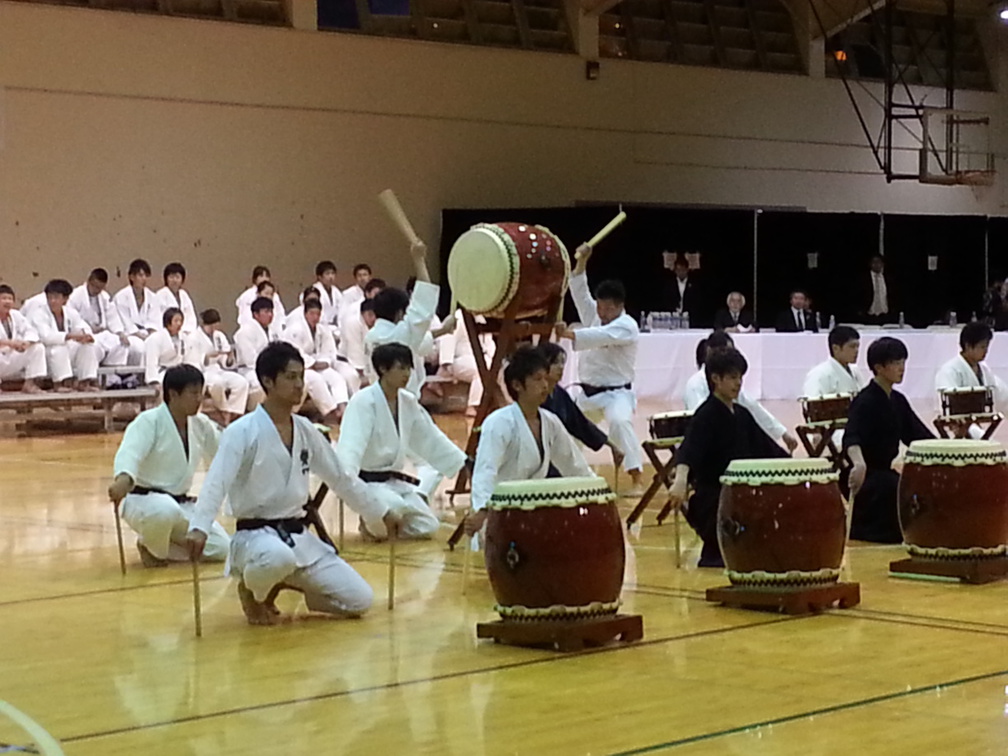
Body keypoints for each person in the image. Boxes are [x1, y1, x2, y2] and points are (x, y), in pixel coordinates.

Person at [186, 342, 397, 625]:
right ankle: (252, 590)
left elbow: (341, 478)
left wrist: (380, 512)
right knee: (276, 558)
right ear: (267, 381)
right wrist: (199, 527)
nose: (299, 385)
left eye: (301, 376)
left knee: (360, 600)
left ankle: (286, 583)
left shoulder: (306, 429)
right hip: (256, 539)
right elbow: (216, 482)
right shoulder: (242, 431)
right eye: (290, 377)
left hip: (298, 538)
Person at [668, 348, 789, 568]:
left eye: (740, 377)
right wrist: (680, 480)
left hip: (743, 493)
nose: (739, 383)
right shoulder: (705, 415)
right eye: (733, 377)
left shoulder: (742, 414)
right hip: (715, 499)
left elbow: (769, 449)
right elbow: (688, 452)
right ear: (716, 378)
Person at [337, 342, 466, 540]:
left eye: (408, 368)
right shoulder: (363, 402)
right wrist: (350, 488)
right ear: (383, 369)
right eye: (401, 368)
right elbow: (350, 450)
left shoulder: (407, 401)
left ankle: (383, 526)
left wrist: (462, 461)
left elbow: (429, 437)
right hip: (367, 484)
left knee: (428, 526)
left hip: (394, 483)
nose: (407, 374)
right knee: (395, 508)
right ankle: (371, 525)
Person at [108, 364, 230, 566]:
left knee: (221, 548)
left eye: (200, 393)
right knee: (164, 510)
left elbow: (224, 453)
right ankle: (151, 548)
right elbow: (131, 453)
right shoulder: (149, 421)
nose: (199, 399)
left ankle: (161, 546)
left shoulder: (201, 424)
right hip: (143, 501)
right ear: (173, 394)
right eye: (193, 393)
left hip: (181, 505)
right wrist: (124, 478)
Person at [465, 346, 593, 536]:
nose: (545, 385)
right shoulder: (498, 423)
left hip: (535, 515)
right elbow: (485, 471)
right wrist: (482, 510)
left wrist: (597, 492)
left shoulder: (550, 422)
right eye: (537, 379)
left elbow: (574, 465)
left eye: (545, 378)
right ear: (517, 385)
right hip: (500, 517)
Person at [555, 242, 644, 490]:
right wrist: (583, 260)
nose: (601, 312)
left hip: (617, 394)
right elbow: (579, 288)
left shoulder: (627, 326)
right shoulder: (595, 315)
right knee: (567, 430)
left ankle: (637, 477)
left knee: (619, 422)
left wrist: (570, 334)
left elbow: (599, 336)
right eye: (599, 306)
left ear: (619, 306)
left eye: (607, 309)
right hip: (588, 393)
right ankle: (568, 476)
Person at [844, 337, 934, 543]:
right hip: (866, 475)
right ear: (879, 367)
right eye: (895, 363)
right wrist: (858, 463)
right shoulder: (864, 401)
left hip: (885, 473)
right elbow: (851, 436)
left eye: (903, 362)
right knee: (893, 487)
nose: (902, 368)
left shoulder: (898, 400)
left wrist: (946, 448)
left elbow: (918, 435)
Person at [364, 240, 453, 395]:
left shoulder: (372, 336)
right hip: (403, 403)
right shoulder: (401, 335)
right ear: (400, 312)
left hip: (379, 400)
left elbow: (417, 342)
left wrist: (443, 330)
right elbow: (423, 304)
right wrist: (419, 259)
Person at [684, 331, 798, 452]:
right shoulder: (695, 384)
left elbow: (755, 409)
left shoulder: (735, 395)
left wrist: (783, 433)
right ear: (711, 351)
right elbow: (699, 424)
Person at [538, 342, 623, 473]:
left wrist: (611, 445)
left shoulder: (560, 394)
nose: (561, 367)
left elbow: (580, 423)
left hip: (556, 458)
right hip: (537, 459)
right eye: (555, 363)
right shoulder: (533, 398)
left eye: (563, 363)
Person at [282, 299, 350, 425]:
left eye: (318, 314)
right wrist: (312, 364)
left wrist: (325, 362)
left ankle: (343, 409)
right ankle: (330, 413)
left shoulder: (322, 330)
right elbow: (294, 352)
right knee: (316, 380)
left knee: (336, 378)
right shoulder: (295, 329)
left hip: (319, 364)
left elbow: (329, 350)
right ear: (305, 314)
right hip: (303, 367)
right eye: (312, 314)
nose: (315, 317)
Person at [934, 321, 1008, 438]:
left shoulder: (984, 370)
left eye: (987, 346)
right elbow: (946, 404)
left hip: (975, 422)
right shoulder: (950, 370)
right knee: (986, 444)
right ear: (968, 346)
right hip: (959, 424)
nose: (986, 351)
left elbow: (1001, 394)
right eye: (982, 346)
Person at [28, 279, 99, 392]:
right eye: (49, 297)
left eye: (56, 297)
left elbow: (82, 326)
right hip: (47, 353)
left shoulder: (70, 312)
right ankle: (59, 384)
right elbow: (46, 337)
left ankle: (84, 382)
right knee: (58, 349)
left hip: (66, 351)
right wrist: (70, 336)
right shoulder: (39, 314)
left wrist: (85, 335)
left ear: (65, 299)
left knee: (87, 347)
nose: (52, 301)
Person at [184, 308, 253, 424]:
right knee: (217, 383)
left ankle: (233, 412)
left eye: (215, 326)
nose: (213, 330)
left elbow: (225, 361)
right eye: (210, 326)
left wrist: (229, 358)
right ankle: (224, 410)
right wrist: (206, 357)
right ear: (204, 324)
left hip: (218, 369)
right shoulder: (193, 337)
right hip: (204, 371)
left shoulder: (219, 336)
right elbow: (191, 361)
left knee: (241, 382)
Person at [436, 307, 496, 417]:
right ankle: (472, 406)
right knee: (480, 370)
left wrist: (494, 359)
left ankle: (505, 402)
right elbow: (448, 337)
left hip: (480, 357)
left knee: (496, 369)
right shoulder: (458, 317)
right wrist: (446, 362)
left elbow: (489, 342)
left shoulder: (481, 318)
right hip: (459, 359)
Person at [68, 268, 131, 371]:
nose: (97, 290)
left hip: (102, 334)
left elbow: (112, 316)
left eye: (100, 288)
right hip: (85, 335)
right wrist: (89, 330)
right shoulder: (75, 296)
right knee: (92, 347)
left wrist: (120, 333)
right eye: (95, 287)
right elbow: (73, 319)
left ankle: (112, 377)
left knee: (121, 344)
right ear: (89, 281)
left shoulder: (104, 297)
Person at [113, 258, 162, 365]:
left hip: (148, 335)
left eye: (145, 275)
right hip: (130, 335)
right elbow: (125, 322)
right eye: (140, 275)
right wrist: (139, 335)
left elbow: (155, 321)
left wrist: (151, 335)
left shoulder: (152, 297)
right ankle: (133, 377)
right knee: (139, 348)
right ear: (131, 277)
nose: (144, 279)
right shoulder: (121, 297)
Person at [0, 284, 46, 393]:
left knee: (37, 348)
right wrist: (10, 343)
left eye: (10, 299)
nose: (7, 302)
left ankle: (29, 384)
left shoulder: (16, 315)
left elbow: (30, 331)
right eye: (3, 298)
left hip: (11, 356)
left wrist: (26, 343)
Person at [340, 279, 385, 383]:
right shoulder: (353, 318)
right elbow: (354, 350)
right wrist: (362, 370)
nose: (373, 318)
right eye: (369, 315)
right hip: (346, 360)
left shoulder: (380, 314)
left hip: (368, 359)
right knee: (353, 377)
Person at [802, 326, 867, 398]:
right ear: (835, 348)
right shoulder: (819, 374)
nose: (856, 351)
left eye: (857, 346)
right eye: (852, 346)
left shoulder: (855, 370)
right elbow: (813, 404)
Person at [234, 296, 278, 397]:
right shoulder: (244, 332)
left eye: (271, 311)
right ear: (256, 314)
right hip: (249, 370)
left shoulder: (273, 331)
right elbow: (250, 361)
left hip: (272, 368)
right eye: (266, 312)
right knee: (261, 385)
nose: (270, 315)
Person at [144, 308, 186, 388]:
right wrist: (153, 381)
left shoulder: (183, 337)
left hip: (179, 372)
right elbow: (151, 362)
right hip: (161, 373)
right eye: (176, 321)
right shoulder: (155, 338)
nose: (179, 324)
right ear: (168, 322)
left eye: (181, 321)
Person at [154, 262, 199, 334]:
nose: (174, 280)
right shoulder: (160, 294)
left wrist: (187, 330)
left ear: (182, 279)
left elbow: (191, 316)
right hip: (167, 332)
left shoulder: (184, 295)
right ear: (166, 279)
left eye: (177, 277)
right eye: (171, 277)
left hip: (185, 332)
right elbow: (157, 317)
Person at [309, 260, 344, 333]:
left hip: (335, 327)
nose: (331, 277)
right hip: (319, 326)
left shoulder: (336, 291)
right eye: (327, 274)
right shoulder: (314, 291)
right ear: (319, 277)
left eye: (332, 273)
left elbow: (341, 310)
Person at [860, 255, 893, 325]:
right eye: (874, 262)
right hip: (869, 315)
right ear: (870, 264)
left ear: (883, 264)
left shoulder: (888, 278)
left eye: (879, 262)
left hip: (886, 315)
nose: (876, 265)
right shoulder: (863, 279)